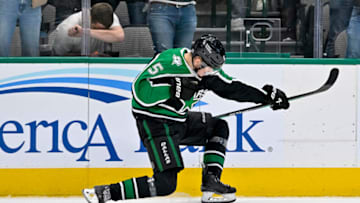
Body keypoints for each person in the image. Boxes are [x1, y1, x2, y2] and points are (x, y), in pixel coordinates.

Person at [82, 34, 290, 203]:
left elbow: (230, 87)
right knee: (165, 185)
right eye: (209, 66)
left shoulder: (205, 71)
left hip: (179, 120)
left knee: (218, 127)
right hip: (155, 124)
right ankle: (105, 193)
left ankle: (211, 182)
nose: (211, 72)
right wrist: (174, 88)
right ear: (197, 59)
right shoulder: (169, 61)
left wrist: (264, 97)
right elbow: (139, 93)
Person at [52, 2, 125, 56]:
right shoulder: (68, 27)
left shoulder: (109, 16)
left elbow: (120, 36)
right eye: (96, 28)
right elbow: (59, 57)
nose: (100, 32)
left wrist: (85, 32)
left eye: (104, 29)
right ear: (89, 17)